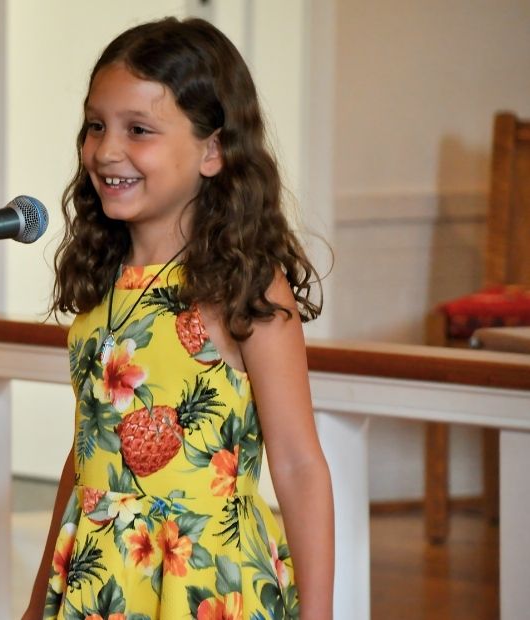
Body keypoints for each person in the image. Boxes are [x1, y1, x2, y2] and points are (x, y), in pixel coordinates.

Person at [22, 16, 334, 620]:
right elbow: (87, 454)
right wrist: (40, 604)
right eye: (95, 126)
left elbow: (298, 463)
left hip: (206, 583)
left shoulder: (243, 285)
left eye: (138, 130)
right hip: (100, 578)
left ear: (213, 149)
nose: (106, 150)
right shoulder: (102, 282)